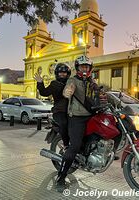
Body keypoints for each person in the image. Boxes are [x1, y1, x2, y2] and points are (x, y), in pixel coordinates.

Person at [56, 55, 100, 190]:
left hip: (91, 115)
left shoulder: (92, 81)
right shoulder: (72, 80)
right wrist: (68, 92)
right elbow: (67, 91)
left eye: (87, 67)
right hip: (76, 117)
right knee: (74, 147)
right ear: (77, 68)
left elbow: (100, 95)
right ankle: (61, 176)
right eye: (82, 67)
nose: (85, 69)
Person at [34, 63, 71, 148]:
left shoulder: (71, 83)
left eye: (64, 72)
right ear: (57, 73)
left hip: (71, 110)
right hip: (59, 111)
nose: (62, 74)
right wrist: (40, 83)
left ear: (68, 74)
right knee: (64, 124)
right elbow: (44, 92)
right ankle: (66, 145)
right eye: (60, 72)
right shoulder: (54, 84)